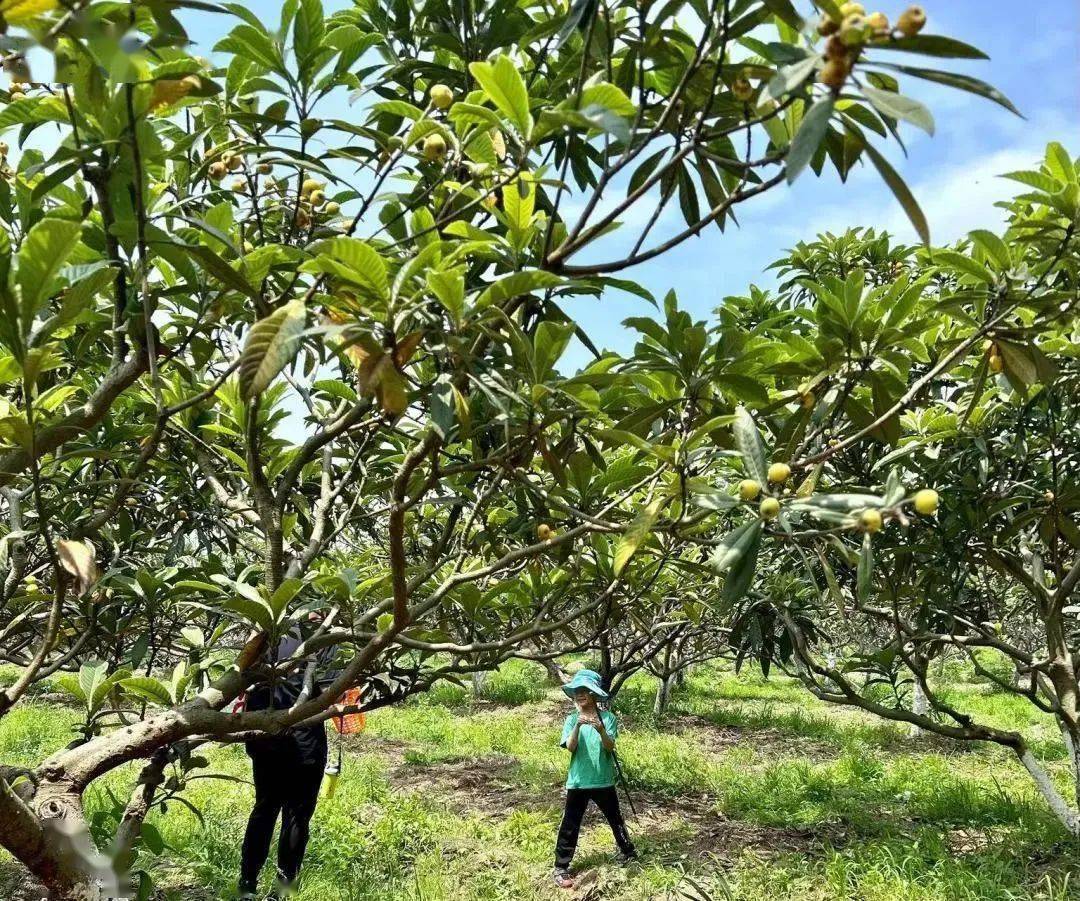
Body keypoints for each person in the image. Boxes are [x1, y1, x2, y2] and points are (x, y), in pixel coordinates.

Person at [237, 622, 329, 900]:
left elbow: (240, 673)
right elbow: (329, 690)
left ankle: (247, 886)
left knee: (265, 807)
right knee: (296, 813)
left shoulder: (262, 630)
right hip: (303, 737)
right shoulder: (322, 635)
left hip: (264, 730)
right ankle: (281, 890)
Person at [553, 669, 636, 889]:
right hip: (578, 780)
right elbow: (571, 748)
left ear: (593, 694)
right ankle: (561, 867)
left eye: (585, 691)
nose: (580, 695)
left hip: (603, 779)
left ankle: (628, 852)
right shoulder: (571, 720)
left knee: (615, 818)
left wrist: (600, 730)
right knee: (570, 824)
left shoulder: (608, 718)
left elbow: (610, 747)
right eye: (577, 691)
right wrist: (579, 725)